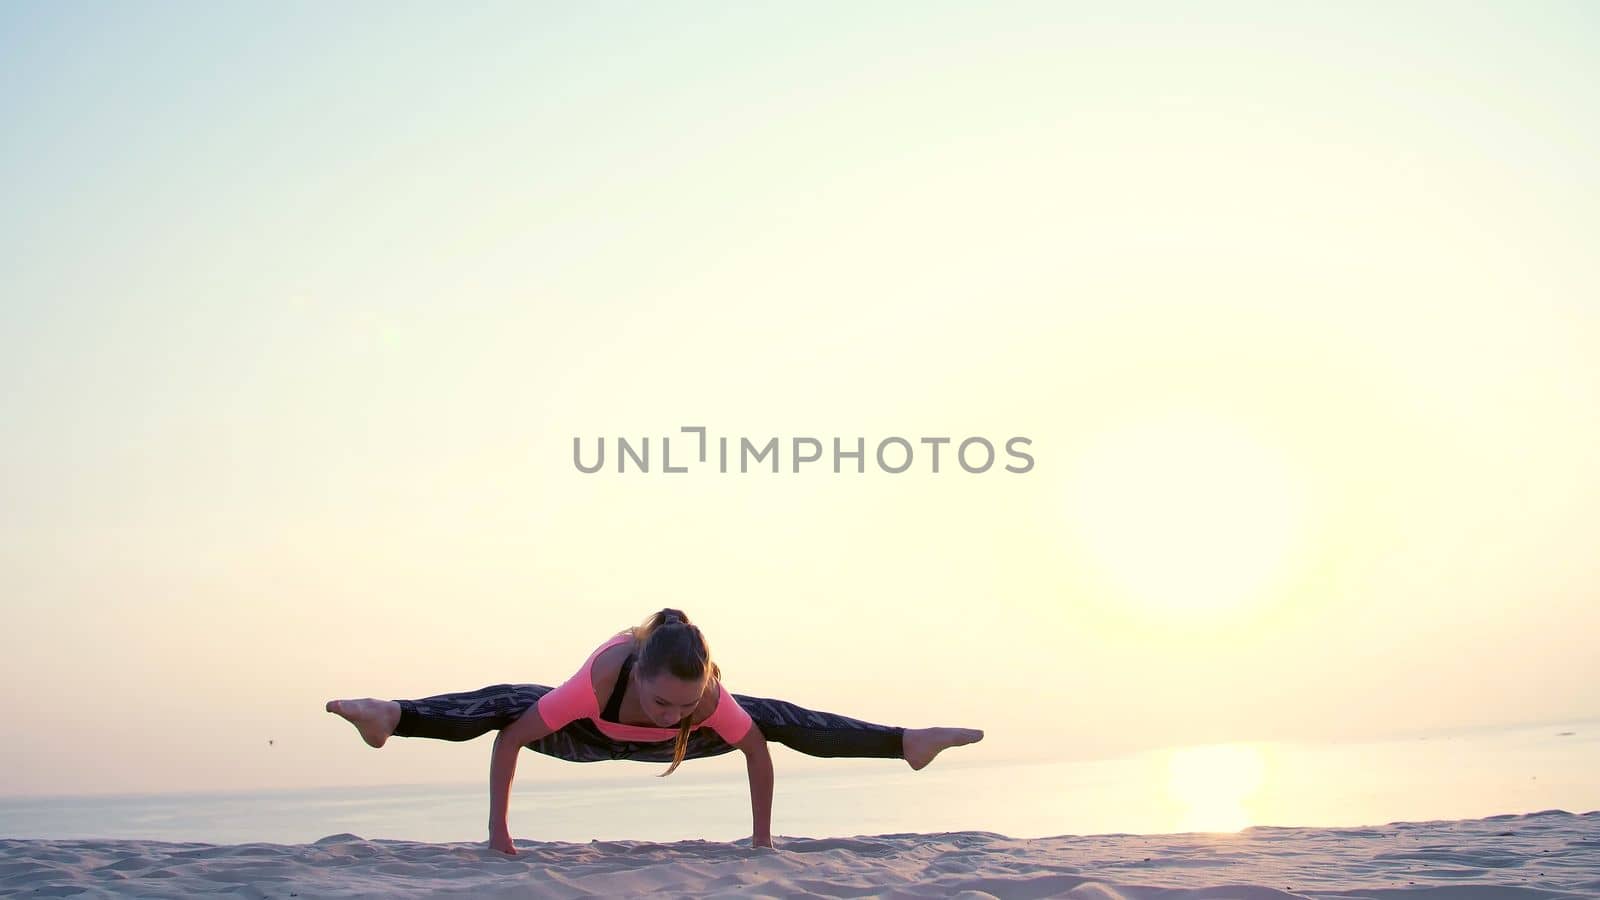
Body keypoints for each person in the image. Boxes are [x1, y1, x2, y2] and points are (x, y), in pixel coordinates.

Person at [326, 608, 984, 853]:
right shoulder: (599, 678)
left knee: (773, 715)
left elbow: (755, 749)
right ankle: (393, 716)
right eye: (664, 700)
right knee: (508, 699)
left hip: (678, 755)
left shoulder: (702, 701)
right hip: (585, 734)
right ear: (638, 673)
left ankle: (907, 743)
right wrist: (500, 831)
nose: (674, 709)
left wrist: (761, 838)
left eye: (688, 701)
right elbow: (513, 740)